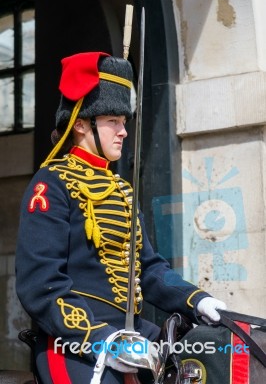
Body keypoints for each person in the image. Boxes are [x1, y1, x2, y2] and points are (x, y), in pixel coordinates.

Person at [15, 51, 226, 384]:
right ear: (81, 124)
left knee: (218, 361)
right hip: (73, 344)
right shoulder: (51, 185)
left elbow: (151, 270)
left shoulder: (121, 190)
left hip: (135, 335)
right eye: (113, 120)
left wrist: (199, 301)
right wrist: (101, 340)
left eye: (124, 122)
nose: (123, 131)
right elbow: (41, 285)